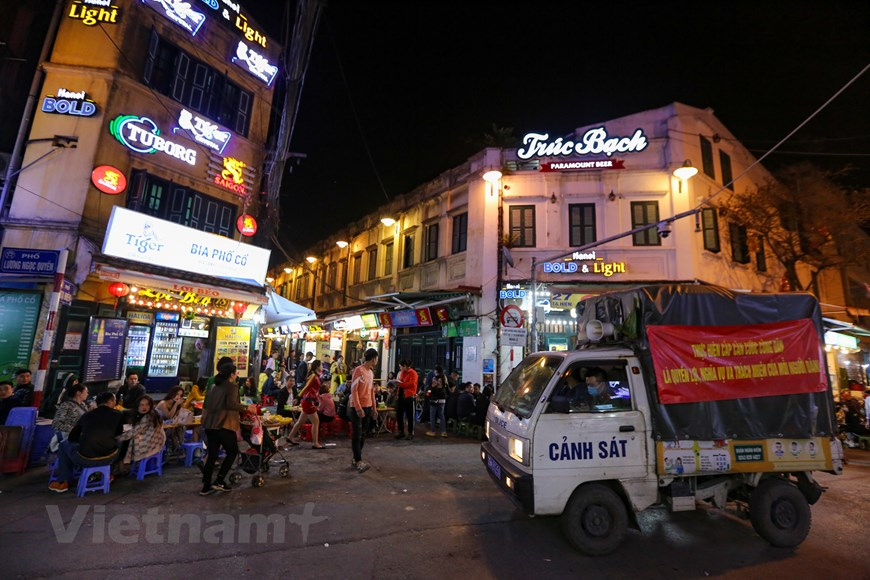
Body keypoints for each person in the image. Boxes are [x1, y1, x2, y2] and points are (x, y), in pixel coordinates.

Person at [49, 392, 125, 493]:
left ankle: (63, 482)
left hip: (85, 459)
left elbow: (72, 437)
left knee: (64, 444)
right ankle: (108, 473)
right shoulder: (118, 414)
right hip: (110, 457)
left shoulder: (87, 415)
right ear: (110, 402)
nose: (115, 403)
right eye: (114, 401)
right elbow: (118, 433)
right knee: (120, 440)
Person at [200, 362, 257, 495]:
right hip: (223, 425)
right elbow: (231, 404)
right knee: (232, 452)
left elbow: (206, 404)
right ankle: (219, 480)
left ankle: (206, 486)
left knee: (212, 455)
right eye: (236, 373)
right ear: (231, 375)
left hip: (210, 425)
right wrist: (246, 407)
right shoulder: (232, 387)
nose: (237, 375)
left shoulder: (213, 386)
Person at [116, 395, 166, 467]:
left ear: (151, 405)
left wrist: (117, 438)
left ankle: (123, 465)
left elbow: (135, 431)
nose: (144, 407)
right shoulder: (138, 414)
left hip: (153, 442)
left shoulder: (149, 416)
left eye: (147, 404)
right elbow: (132, 428)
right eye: (142, 405)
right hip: (153, 438)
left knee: (126, 441)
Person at [286, 360, 327, 449]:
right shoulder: (313, 376)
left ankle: (290, 437)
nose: (322, 367)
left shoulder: (315, 376)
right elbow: (306, 387)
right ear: (317, 367)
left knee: (300, 421)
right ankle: (315, 443)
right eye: (321, 365)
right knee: (316, 422)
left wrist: (318, 396)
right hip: (308, 401)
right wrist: (298, 397)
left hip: (308, 400)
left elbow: (312, 389)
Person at [350, 348, 379, 472]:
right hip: (357, 407)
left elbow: (371, 391)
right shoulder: (359, 370)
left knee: (363, 434)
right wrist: (358, 407)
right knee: (357, 434)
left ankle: (356, 457)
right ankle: (358, 461)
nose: (376, 360)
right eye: (376, 358)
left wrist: (374, 408)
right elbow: (354, 390)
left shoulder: (371, 373)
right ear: (373, 359)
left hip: (367, 407)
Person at [51, 381, 89, 447]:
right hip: (67, 439)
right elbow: (56, 423)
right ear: (78, 393)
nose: (87, 394)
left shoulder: (84, 406)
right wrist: (73, 430)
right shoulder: (66, 405)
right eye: (86, 392)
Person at [394, 359, 418, 440]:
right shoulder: (402, 373)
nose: (400, 368)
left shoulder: (413, 373)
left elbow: (411, 384)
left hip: (409, 396)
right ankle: (401, 431)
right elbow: (401, 384)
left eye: (401, 367)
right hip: (401, 396)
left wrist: (401, 384)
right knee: (399, 414)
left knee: (410, 416)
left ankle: (411, 433)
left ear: (405, 366)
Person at [426, 370, 448, 438]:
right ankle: (443, 432)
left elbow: (428, 393)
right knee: (441, 415)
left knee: (432, 416)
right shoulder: (444, 380)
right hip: (442, 400)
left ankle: (433, 431)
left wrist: (429, 392)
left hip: (434, 401)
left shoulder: (434, 380)